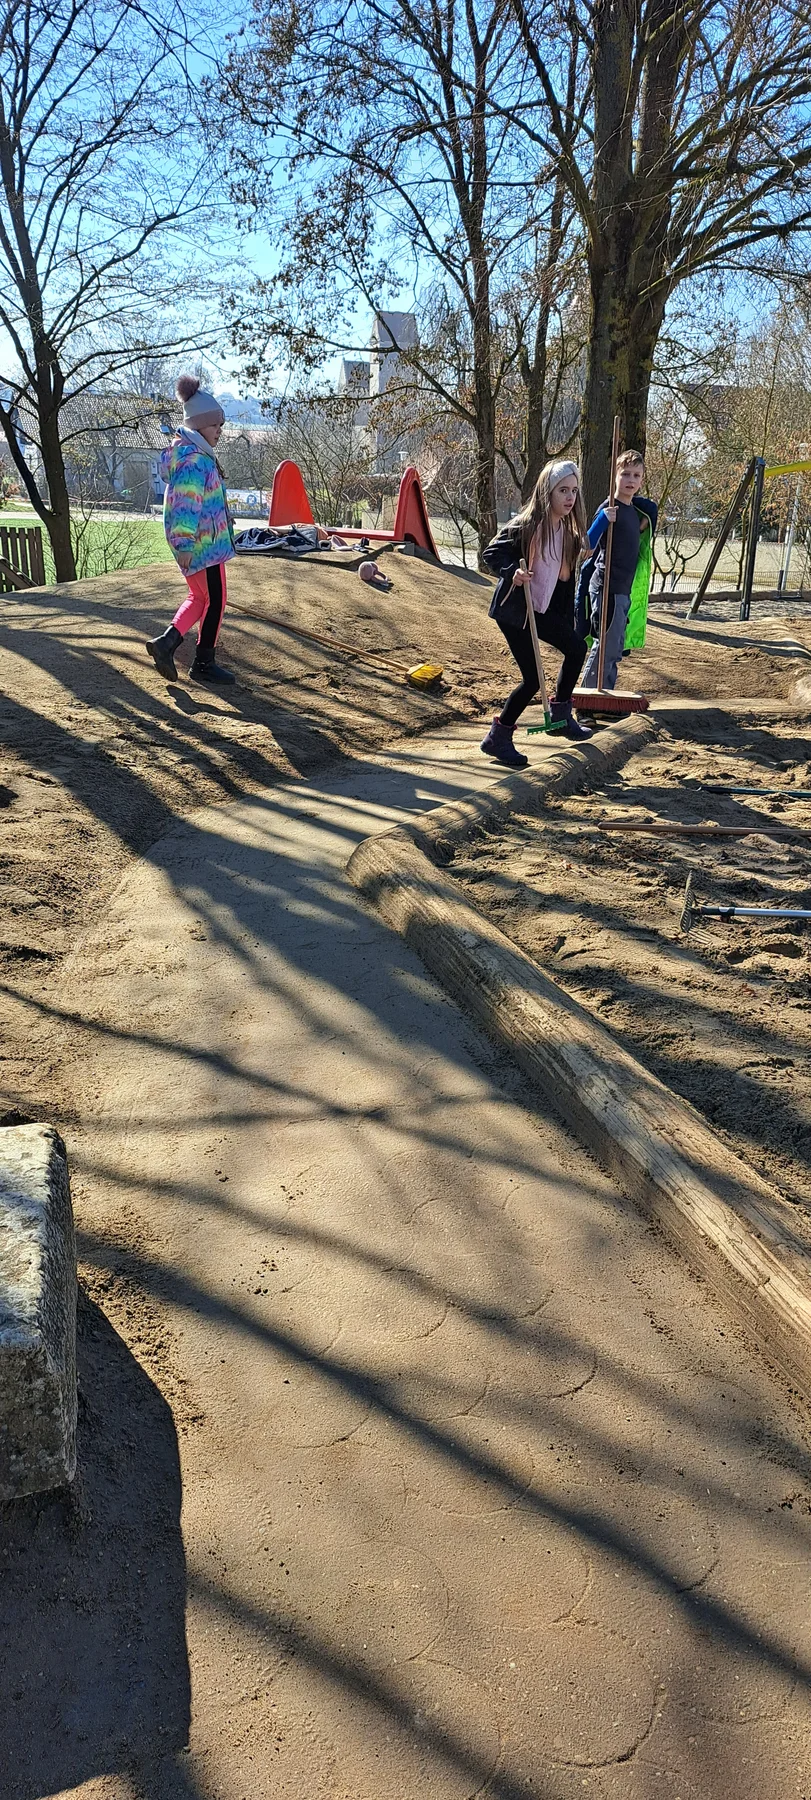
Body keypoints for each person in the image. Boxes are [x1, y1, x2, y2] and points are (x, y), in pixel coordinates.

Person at [480, 459, 591, 769]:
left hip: (541, 609)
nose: (569, 497)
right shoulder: (526, 525)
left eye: (574, 491)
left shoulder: (566, 531)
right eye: (562, 490)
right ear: (547, 492)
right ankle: (498, 738)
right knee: (532, 680)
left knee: (576, 647)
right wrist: (512, 571)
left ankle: (561, 716)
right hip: (516, 610)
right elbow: (491, 553)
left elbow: (564, 583)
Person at [146, 376, 236, 685]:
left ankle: (166, 644)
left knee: (199, 597)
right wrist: (184, 543)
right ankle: (204, 663)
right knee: (216, 600)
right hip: (201, 545)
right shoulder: (195, 460)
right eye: (214, 425)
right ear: (198, 426)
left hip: (204, 542)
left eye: (220, 425)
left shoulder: (195, 455)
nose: (219, 431)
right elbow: (185, 504)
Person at [577, 449, 658, 693]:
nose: (631, 480)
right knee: (605, 645)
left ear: (642, 480)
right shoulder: (608, 508)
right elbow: (586, 547)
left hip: (623, 590)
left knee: (615, 648)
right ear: (615, 475)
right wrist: (602, 519)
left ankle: (606, 695)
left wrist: (646, 521)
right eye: (625, 474)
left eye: (636, 475)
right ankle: (590, 696)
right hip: (607, 587)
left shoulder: (634, 512)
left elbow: (647, 516)